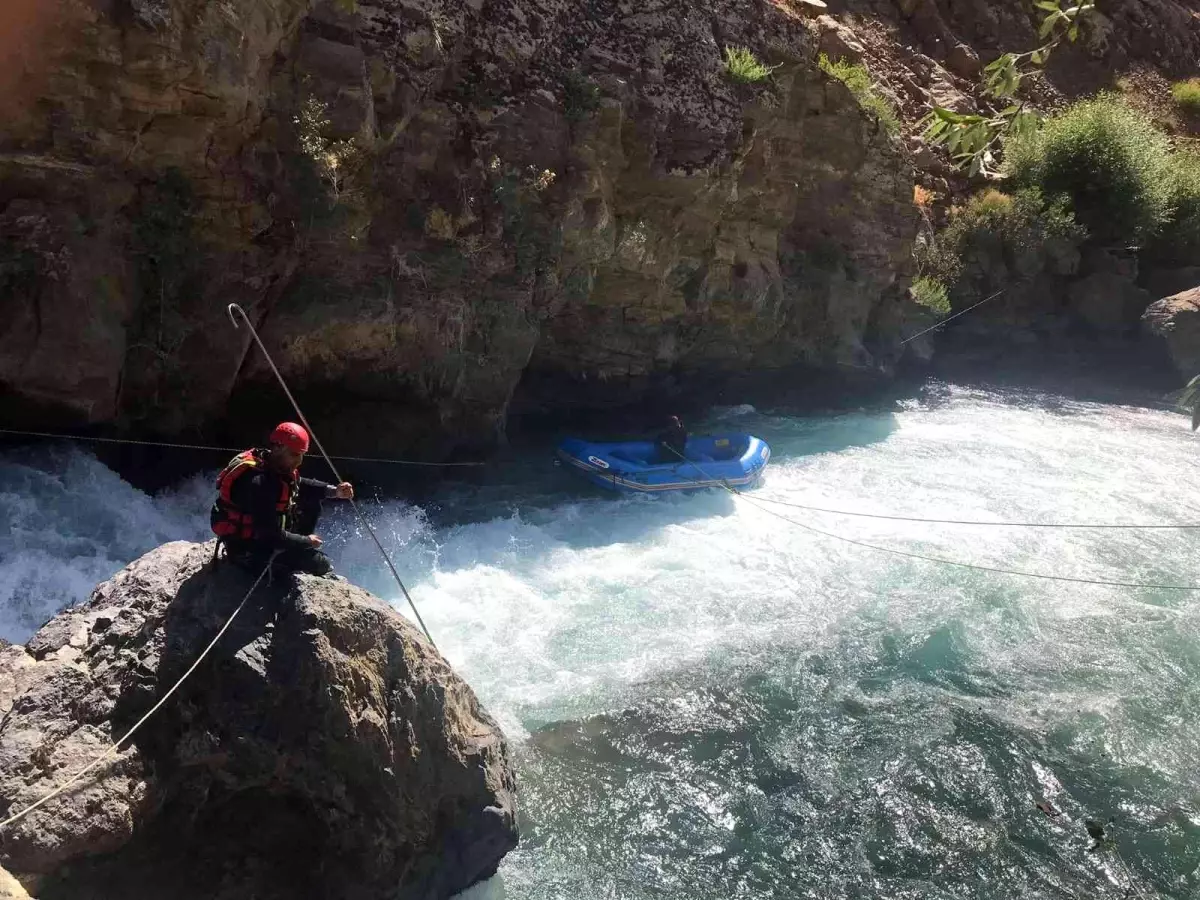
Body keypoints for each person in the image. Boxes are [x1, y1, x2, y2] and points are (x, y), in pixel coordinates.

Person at [210, 422, 354, 577]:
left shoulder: (271, 463)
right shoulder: (258, 482)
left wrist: (335, 491)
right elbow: (269, 534)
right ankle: (262, 564)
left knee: (312, 503)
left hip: (266, 533)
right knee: (320, 564)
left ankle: (294, 550)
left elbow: (300, 484)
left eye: (301, 454)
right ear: (277, 448)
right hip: (248, 546)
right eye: (294, 454)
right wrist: (306, 541)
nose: (299, 461)